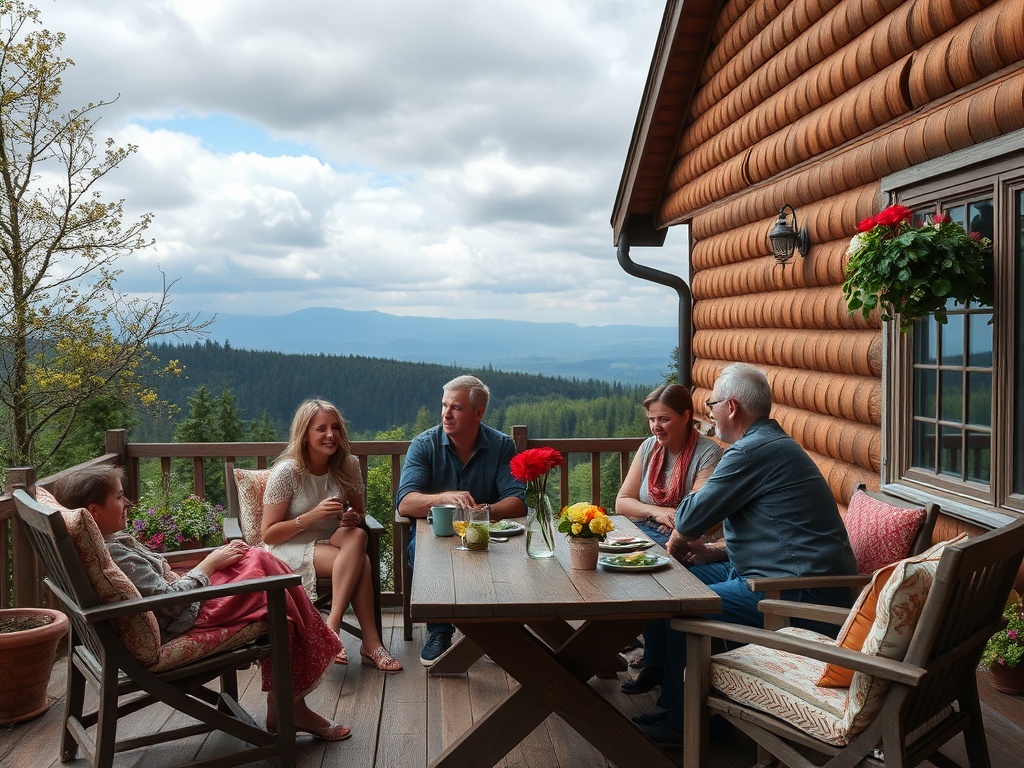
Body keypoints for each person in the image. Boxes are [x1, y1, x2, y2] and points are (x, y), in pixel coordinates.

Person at [634, 363, 857, 749]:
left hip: (797, 596)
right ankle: (678, 701)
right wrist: (712, 552)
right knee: (671, 583)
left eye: (712, 403)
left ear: (732, 407)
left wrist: (680, 542)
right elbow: (777, 534)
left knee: (680, 602)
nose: (708, 411)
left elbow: (688, 517)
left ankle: (688, 724)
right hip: (780, 579)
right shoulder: (768, 445)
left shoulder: (751, 452)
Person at [52, 465, 351, 742]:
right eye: (119, 496)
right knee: (278, 597)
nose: (128, 501)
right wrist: (208, 564)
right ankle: (295, 701)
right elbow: (169, 604)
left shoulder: (106, 543)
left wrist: (214, 562)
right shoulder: (119, 557)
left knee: (255, 559)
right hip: (186, 615)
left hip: (182, 601)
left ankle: (289, 705)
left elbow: (160, 587)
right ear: (93, 511)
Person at [261, 398, 402, 671]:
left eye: (335, 427)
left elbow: (359, 513)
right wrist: (311, 516)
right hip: (289, 545)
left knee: (358, 535)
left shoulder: (347, 465)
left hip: (331, 541)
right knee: (362, 563)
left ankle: (332, 627)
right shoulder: (287, 473)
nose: (330, 435)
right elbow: (268, 534)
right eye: (321, 428)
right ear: (304, 434)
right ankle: (370, 644)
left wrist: (352, 517)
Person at [397, 374, 526, 666]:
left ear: (478, 413)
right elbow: (405, 502)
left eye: (455, 407)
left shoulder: (501, 445)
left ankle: (498, 627)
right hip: (436, 536)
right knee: (423, 551)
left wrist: (481, 514)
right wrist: (444, 497)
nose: (445, 414)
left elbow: (517, 500)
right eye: (443, 405)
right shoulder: (424, 445)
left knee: (514, 554)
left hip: (488, 535)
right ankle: (440, 632)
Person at [614, 383, 724, 695]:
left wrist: (670, 519)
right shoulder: (649, 448)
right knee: (613, 559)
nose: (655, 427)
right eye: (651, 419)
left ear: (686, 416)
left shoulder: (707, 454)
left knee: (652, 574)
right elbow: (623, 502)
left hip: (688, 541)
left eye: (663, 419)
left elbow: (696, 511)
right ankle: (643, 654)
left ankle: (654, 663)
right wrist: (654, 512)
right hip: (649, 530)